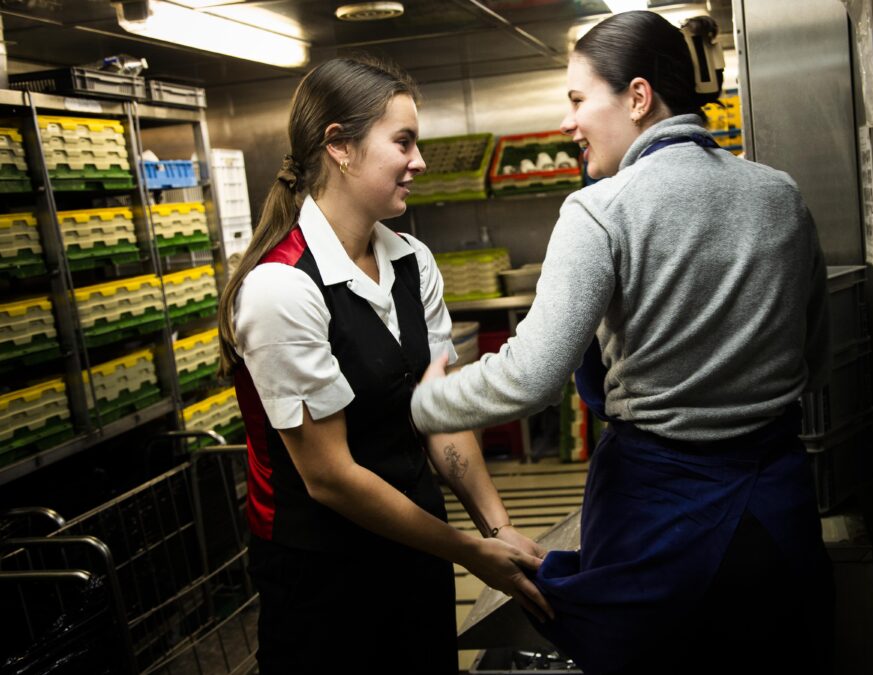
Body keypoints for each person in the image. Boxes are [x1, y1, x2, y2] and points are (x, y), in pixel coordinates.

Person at [411, 11, 834, 675]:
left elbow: (531, 376)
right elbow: (814, 352)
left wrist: (426, 404)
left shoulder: (602, 209)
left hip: (656, 520)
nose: (567, 122)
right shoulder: (781, 196)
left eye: (579, 99)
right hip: (776, 515)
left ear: (638, 98)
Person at [216, 56, 551, 674]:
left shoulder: (411, 261)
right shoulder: (281, 288)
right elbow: (330, 476)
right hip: (324, 578)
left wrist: (496, 529)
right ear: (340, 147)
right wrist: (469, 552)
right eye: (403, 141)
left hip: (418, 547)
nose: (418, 161)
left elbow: (439, 414)